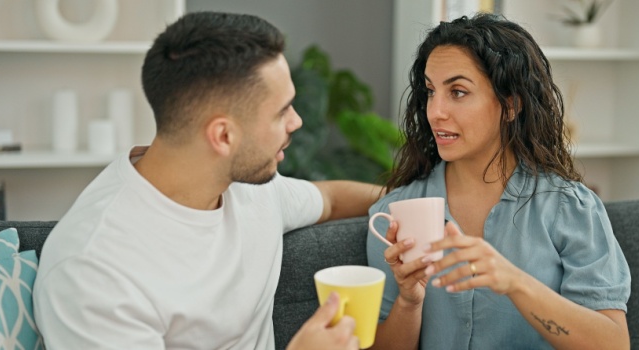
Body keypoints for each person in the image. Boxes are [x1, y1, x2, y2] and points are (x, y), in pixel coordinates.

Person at [32, 12, 382, 350]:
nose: (297, 122)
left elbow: (330, 199)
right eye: (282, 112)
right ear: (223, 136)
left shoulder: (249, 189)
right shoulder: (93, 272)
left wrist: (410, 199)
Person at [366, 13, 631, 349]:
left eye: (458, 92)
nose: (435, 112)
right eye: (431, 91)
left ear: (510, 105)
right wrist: (409, 301)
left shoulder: (570, 208)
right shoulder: (395, 215)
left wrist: (515, 282)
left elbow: (613, 343)